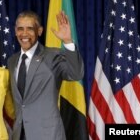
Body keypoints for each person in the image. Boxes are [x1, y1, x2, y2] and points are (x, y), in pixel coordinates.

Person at [7, 11, 84, 140]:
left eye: (30, 29)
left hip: (47, 135)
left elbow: (75, 74)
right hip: (19, 134)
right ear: (15, 31)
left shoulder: (52, 56)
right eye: (20, 29)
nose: (24, 33)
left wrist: (67, 41)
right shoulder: (12, 61)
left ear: (40, 31)